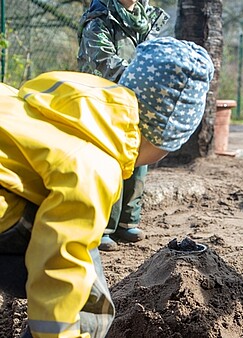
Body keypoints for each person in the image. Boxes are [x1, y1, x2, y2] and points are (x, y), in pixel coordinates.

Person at [0, 36, 214, 338]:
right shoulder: (94, 164)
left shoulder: (65, 106)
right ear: (160, 135)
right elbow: (63, 259)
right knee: (88, 300)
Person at [77, 0, 170, 251]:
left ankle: (127, 222)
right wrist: (145, 77)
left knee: (137, 157)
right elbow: (103, 61)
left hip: (136, 99)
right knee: (110, 161)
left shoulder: (147, 19)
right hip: (102, 100)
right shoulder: (99, 20)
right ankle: (103, 226)